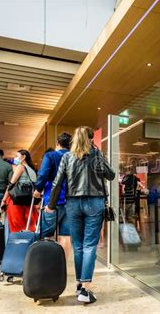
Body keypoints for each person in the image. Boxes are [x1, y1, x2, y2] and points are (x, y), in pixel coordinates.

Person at [47, 126, 115, 304]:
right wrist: (99, 157)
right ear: (91, 139)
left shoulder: (67, 157)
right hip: (95, 202)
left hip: (73, 203)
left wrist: (51, 205)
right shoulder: (97, 155)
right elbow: (111, 175)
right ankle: (85, 289)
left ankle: (79, 285)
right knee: (89, 245)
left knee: (77, 245)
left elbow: (57, 182)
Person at [33, 132, 72, 258]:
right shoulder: (75, 157)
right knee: (66, 235)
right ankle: (61, 265)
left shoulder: (51, 155)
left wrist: (38, 189)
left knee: (46, 234)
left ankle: (45, 263)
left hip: (52, 201)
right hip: (71, 202)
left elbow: (43, 174)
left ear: (57, 144)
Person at [1, 150, 39, 233]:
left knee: (15, 227)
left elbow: (11, 184)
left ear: (24, 157)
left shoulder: (20, 167)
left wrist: (3, 200)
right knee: (28, 226)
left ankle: (15, 244)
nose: (15, 158)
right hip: (28, 201)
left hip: (17, 201)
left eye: (17, 156)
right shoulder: (32, 170)